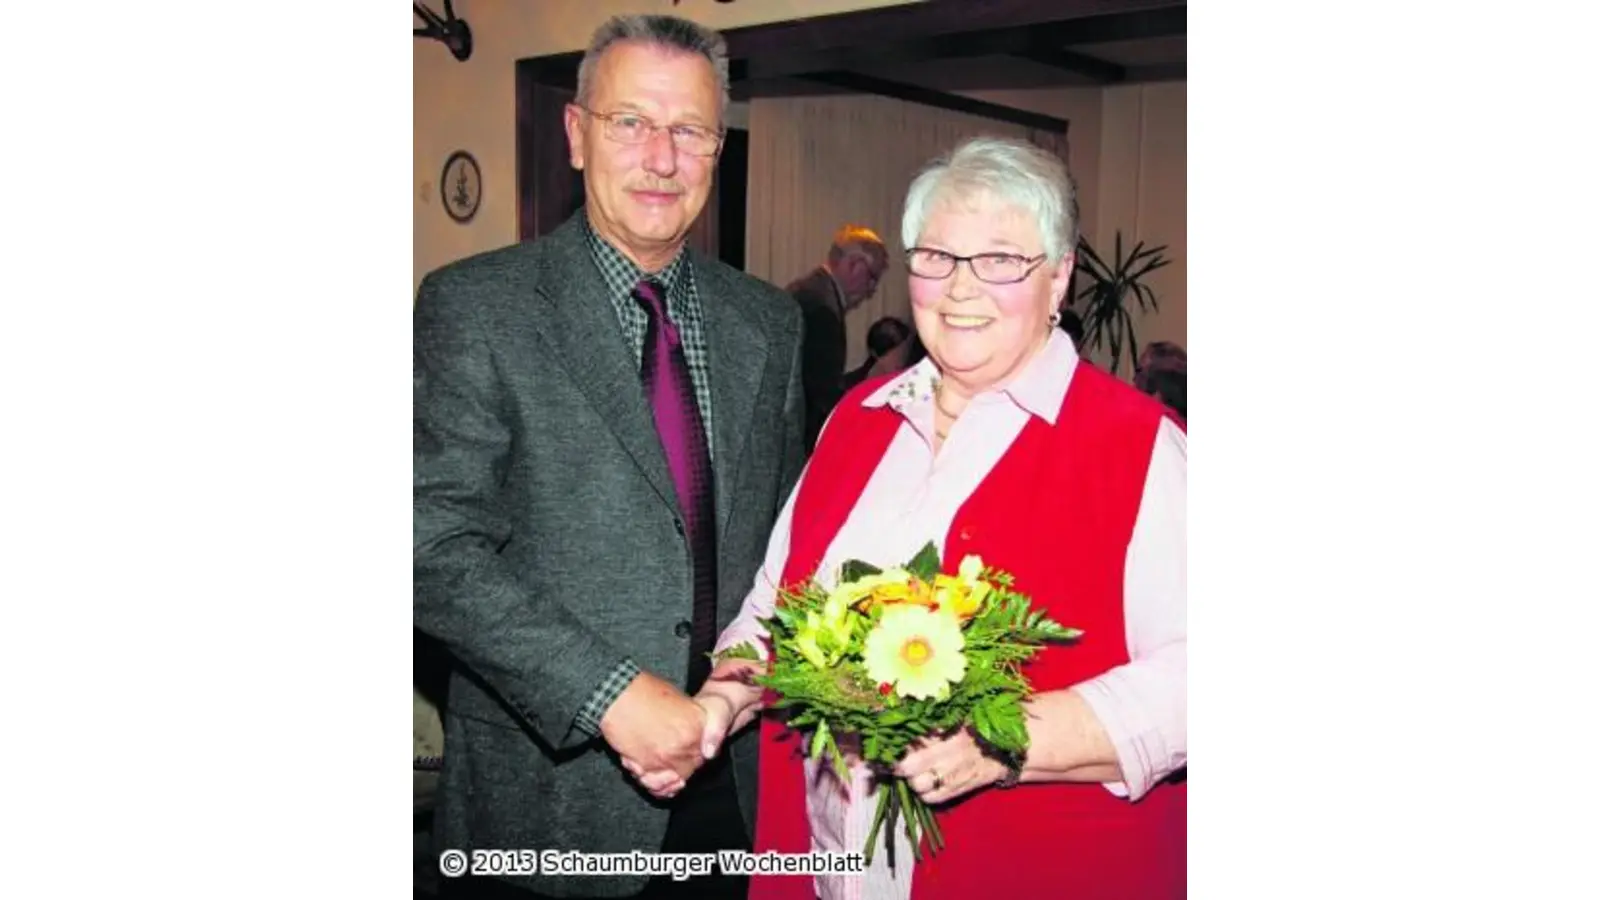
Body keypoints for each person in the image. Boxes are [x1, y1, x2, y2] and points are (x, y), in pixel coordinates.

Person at [632, 135, 1186, 898]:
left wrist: (1004, 740)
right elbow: (775, 609)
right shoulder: (857, 420)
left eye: (1000, 260)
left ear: (1058, 275)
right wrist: (722, 700)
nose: (960, 289)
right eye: (936, 257)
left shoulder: (1139, 447)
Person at [413, 14, 806, 899]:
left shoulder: (770, 323)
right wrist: (610, 694)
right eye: (631, 122)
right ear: (576, 134)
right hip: (547, 803)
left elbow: (786, 550)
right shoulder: (477, 308)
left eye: (691, 131)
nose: (661, 158)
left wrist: (741, 688)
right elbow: (427, 545)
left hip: (733, 797)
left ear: (718, 150)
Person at [787, 225, 890, 450]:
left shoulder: (811, 292)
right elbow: (820, 396)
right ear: (854, 265)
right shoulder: (821, 309)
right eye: (872, 278)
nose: (872, 291)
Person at [840, 315, 914, 392]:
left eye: (904, 352)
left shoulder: (910, 379)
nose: (900, 359)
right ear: (876, 354)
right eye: (893, 354)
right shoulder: (851, 385)